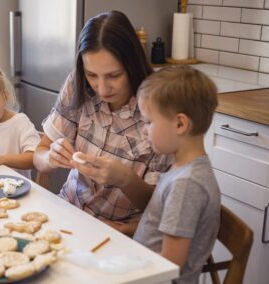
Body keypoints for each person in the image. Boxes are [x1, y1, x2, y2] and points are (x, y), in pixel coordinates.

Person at [72, 65, 221, 284]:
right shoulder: (183, 169)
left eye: (149, 122)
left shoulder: (187, 185)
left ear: (180, 124)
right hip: (143, 267)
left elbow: (170, 266)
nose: (143, 130)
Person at [33, 10, 172, 235]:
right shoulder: (77, 85)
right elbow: (38, 156)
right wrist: (50, 157)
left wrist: (125, 179)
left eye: (114, 76)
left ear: (132, 65)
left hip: (120, 233)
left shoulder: (158, 106)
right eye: (92, 75)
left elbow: (159, 209)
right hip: (67, 212)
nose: (102, 88)